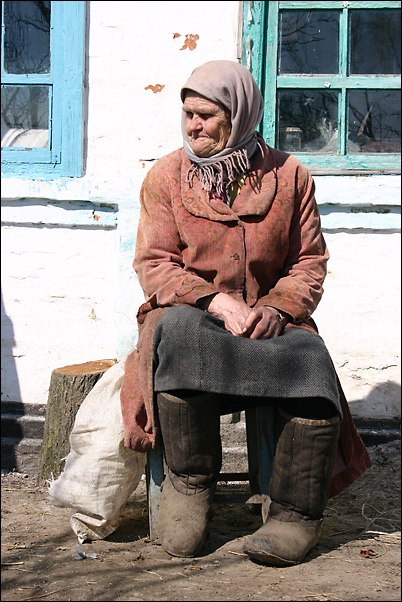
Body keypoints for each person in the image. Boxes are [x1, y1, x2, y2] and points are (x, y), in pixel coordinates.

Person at [120, 60, 371, 566]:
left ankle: (295, 513)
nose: (193, 125)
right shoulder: (166, 177)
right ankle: (190, 486)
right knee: (183, 337)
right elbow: (155, 263)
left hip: (271, 320)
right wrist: (214, 300)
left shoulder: (290, 176)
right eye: (188, 114)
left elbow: (309, 262)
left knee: (310, 361)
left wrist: (279, 307)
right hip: (192, 311)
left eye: (207, 115)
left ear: (238, 115)